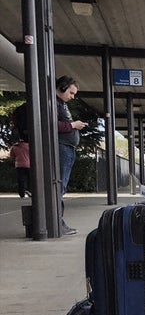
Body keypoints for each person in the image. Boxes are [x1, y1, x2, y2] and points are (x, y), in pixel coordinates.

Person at [55, 75, 87, 235]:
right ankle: (57, 222)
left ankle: (58, 221)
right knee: (59, 186)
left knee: (62, 185)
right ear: (62, 88)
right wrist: (72, 125)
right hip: (62, 148)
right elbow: (52, 123)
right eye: (71, 93)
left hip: (67, 148)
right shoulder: (53, 103)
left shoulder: (60, 104)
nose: (72, 97)